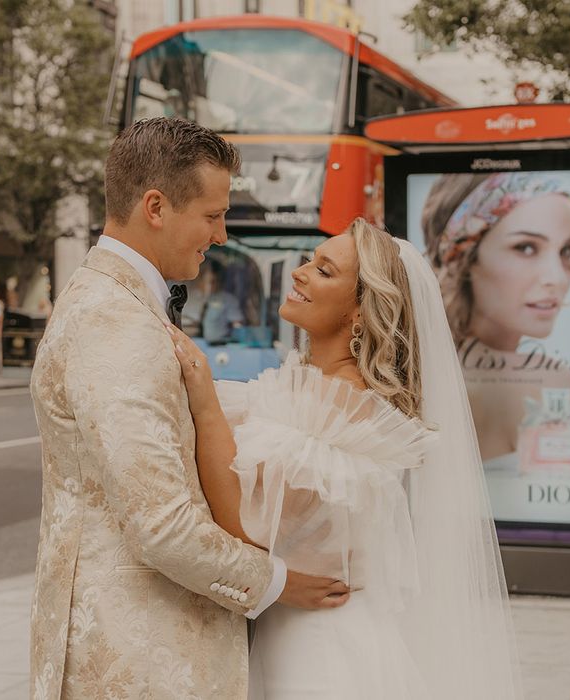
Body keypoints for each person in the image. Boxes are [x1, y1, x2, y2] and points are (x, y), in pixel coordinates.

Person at [29, 118, 349, 699]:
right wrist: (279, 583)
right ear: (155, 206)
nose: (222, 235)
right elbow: (163, 525)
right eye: (212, 215)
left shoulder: (116, 302)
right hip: (141, 662)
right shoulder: (114, 322)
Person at [167, 218, 524, 699]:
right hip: (296, 636)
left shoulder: (341, 406)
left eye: (324, 270)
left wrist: (206, 402)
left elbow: (243, 524)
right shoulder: (311, 386)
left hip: (321, 657)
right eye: (310, 260)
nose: (300, 272)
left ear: (359, 313)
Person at [421, 171, 570, 465]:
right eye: (526, 247)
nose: (556, 277)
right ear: (463, 255)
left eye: (567, 251)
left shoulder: (418, 364)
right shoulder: (553, 382)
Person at [199, 258, 244, 344]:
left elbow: (237, 325)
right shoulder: (205, 298)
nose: (209, 286)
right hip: (203, 343)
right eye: (207, 281)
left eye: (213, 282)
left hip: (221, 346)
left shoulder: (229, 300)